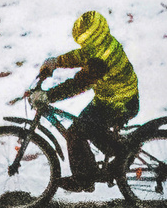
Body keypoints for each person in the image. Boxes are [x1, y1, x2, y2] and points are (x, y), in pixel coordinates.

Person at [33, 11, 140, 192]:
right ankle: (119, 151)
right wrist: (56, 62)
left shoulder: (101, 58)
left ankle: (86, 178)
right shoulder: (104, 42)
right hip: (116, 97)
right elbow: (82, 56)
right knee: (85, 126)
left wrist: (48, 96)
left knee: (77, 131)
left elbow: (78, 84)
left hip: (118, 103)